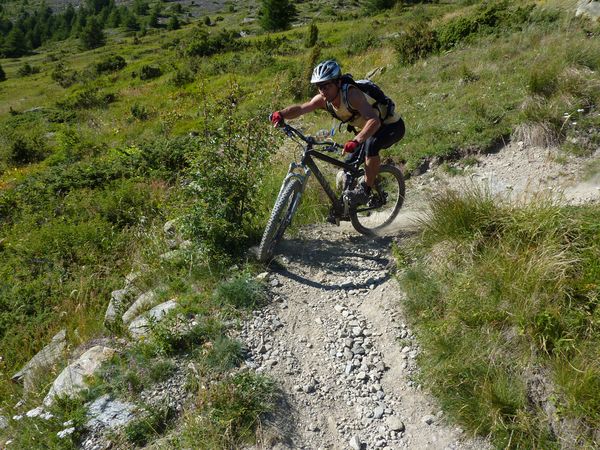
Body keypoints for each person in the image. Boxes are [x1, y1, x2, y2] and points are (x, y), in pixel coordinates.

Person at [270, 60, 405, 206]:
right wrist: (281, 114)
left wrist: (356, 140)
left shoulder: (352, 95)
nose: (323, 91)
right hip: (369, 131)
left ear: (338, 83)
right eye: (319, 86)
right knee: (347, 169)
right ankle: (347, 207)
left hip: (391, 126)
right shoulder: (323, 99)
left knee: (371, 145)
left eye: (327, 85)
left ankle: (365, 191)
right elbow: (302, 108)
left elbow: (374, 121)